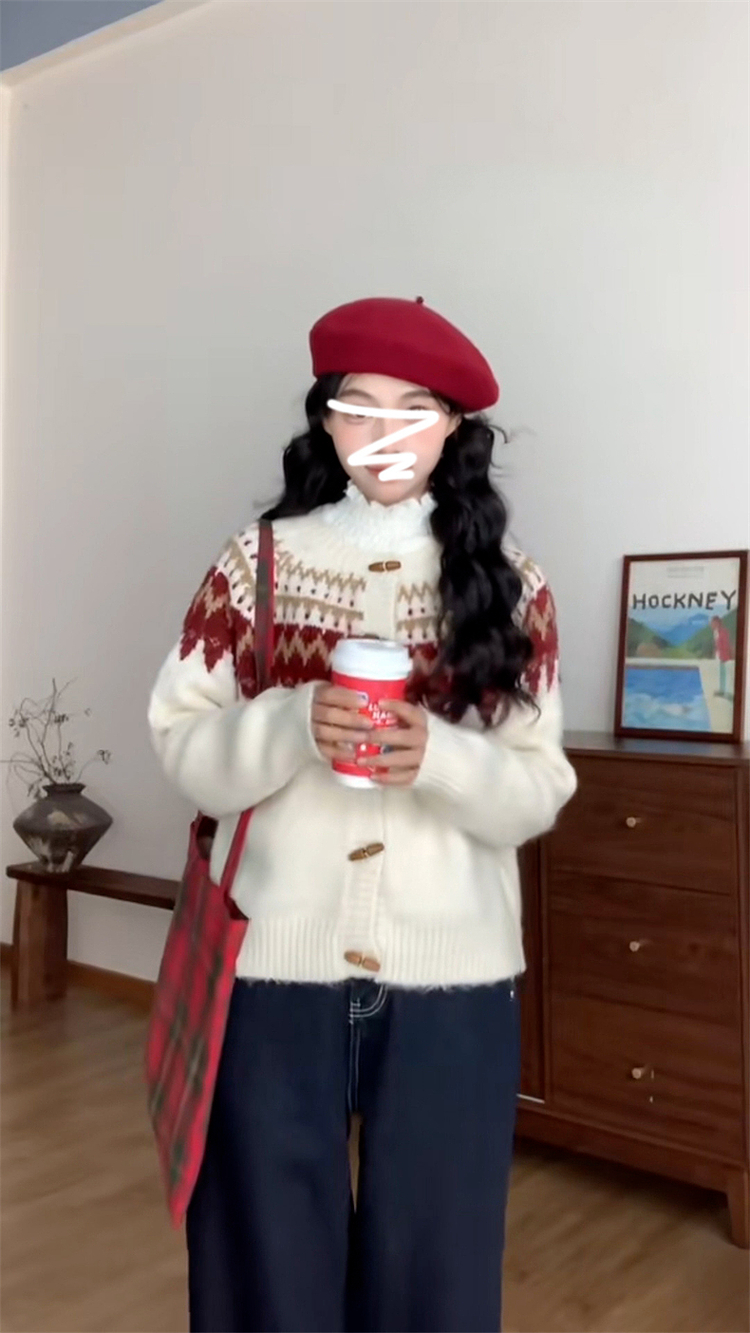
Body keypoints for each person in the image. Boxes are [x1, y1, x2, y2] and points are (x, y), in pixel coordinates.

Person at [147, 296, 578, 1333]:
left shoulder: (513, 587)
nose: (384, 432)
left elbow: (538, 789)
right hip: (268, 973)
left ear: (454, 427)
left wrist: (442, 759)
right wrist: (291, 723)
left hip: (453, 984)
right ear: (326, 420)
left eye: (414, 408)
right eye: (359, 405)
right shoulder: (255, 565)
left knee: (439, 1282)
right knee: (263, 1278)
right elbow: (183, 748)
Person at [711, 614, 733, 699]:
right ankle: (722, 690)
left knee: (726, 674)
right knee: (721, 673)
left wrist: (725, 656)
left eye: (714, 623)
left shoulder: (723, 631)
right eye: (712, 623)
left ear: (718, 623)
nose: (712, 625)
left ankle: (726, 692)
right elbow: (717, 644)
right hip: (719, 656)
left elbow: (726, 645)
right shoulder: (716, 632)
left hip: (724, 656)